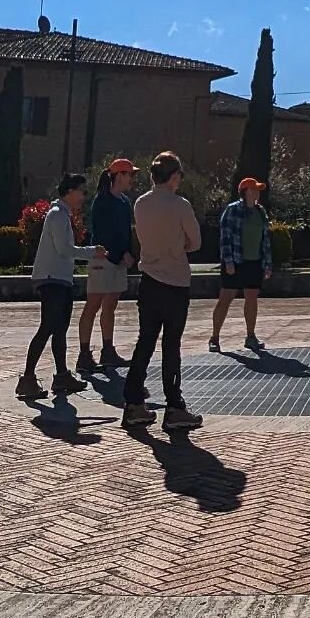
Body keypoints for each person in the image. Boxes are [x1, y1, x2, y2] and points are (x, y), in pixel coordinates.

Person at [122, 151, 203, 432]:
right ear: (173, 176)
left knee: (145, 341)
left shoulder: (141, 204)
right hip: (175, 281)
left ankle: (133, 402)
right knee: (172, 345)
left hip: (149, 279)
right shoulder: (180, 205)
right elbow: (196, 242)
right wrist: (178, 245)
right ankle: (174, 406)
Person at [17, 174, 101, 400]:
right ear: (70, 191)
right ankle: (27, 378)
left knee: (59, 329)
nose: (84, 196)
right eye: (82, 191)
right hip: (52, 279)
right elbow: (64, 250)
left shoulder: (62, 215)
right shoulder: (57, 216)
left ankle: (62, 375)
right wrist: (92, 252)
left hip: (61, 279)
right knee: (47, 328)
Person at [77, 158, 138, 374]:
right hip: (102, 259)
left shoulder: (124, 202)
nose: (132, 179)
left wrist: (129, 253)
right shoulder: (101, 201)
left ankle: (108, 349)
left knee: (111, 305)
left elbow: (126, 231)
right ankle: (84, 354)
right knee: (93, 304)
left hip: (120, 261)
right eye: (130, 174)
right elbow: (102, 234)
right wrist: (119, 255)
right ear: (119, 175)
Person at [210, 177, 272, 353]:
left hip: (254, 262)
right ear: (246, 192)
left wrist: (267, 263)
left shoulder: (261, 212)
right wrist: (228, 262)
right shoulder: (232, 211)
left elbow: (265, 240)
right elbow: (225, 238)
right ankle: (214, 337)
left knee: (252, 298)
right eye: (255, 189)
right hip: (235, 262)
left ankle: (250, 336)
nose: (258, 193)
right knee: (225, 299)